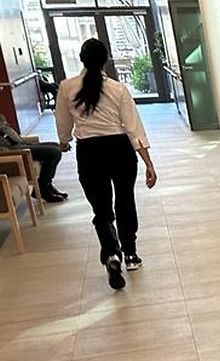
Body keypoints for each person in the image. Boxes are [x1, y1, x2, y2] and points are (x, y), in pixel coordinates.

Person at [55, 38, 157, 291]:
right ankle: (130, 254)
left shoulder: (67, 87)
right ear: (106, 60)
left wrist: (64, 142)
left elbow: (63, 122)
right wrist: (148, 163)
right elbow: (133, 129)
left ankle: (111, 254)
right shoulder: (117, 89)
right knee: (125, 200)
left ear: (82, 59)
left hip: (89, 152)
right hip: (119, 149)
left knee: (101, 208)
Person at [0, 114, 68, 202]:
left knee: (56, 146)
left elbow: (12, 136)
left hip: (19, 144)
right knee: (54, 152)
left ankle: (47, 185)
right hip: (13, 151)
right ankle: (43, 188)